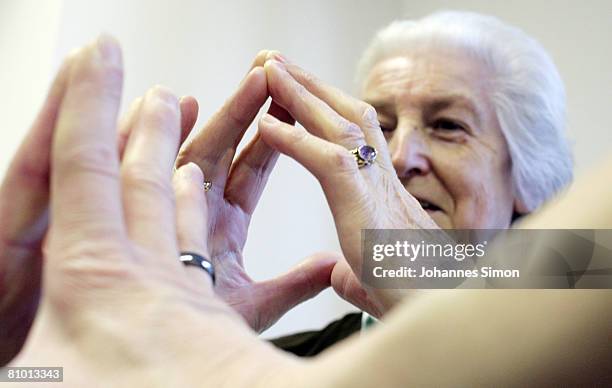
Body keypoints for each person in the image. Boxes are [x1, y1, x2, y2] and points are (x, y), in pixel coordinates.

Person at [2, 35, 611, 387]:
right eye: (379, 124)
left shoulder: (586, 275)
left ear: (529, 179)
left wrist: (440, 281)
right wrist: (171, 344)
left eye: (448, 126)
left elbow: (592, 262)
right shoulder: (279, 362)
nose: (397, 157)